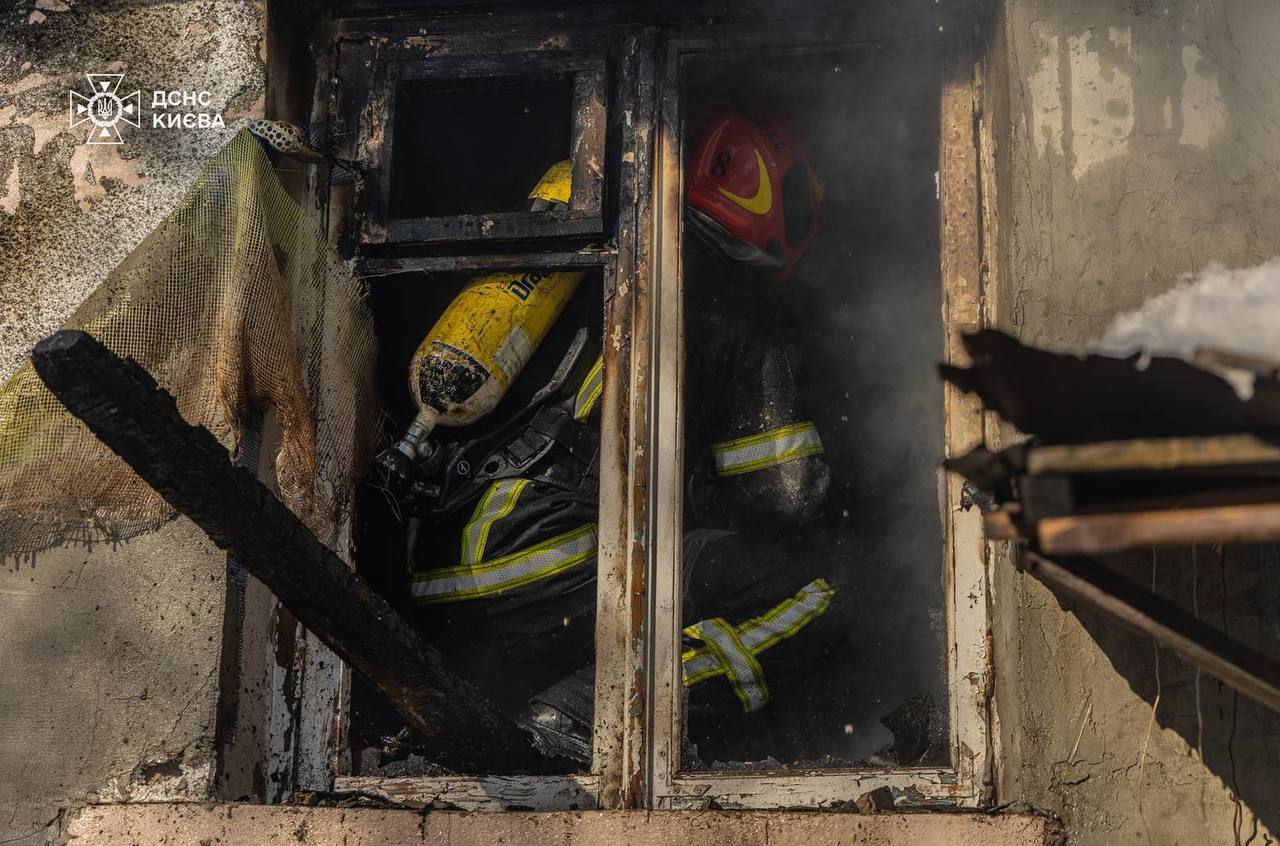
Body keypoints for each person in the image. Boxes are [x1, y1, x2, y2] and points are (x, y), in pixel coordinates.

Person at [391, 106, 844, 767]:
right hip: (540, 563)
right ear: (778, 193)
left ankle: (531, 721)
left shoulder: (600, 257)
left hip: (437, 578)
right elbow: (787, 493)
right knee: (818, 589)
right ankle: (589, 717)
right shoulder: (733, 298)